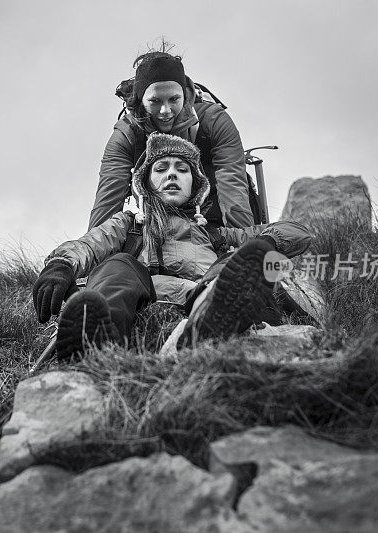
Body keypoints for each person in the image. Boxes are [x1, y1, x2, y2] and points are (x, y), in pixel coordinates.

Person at [34, 133, 311, 359]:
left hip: (206, 294)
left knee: (236, 260)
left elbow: (298, 233)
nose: (172, 175)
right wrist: (61, 265)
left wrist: (267, 242)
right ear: (146, 183)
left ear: (196, 185)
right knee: (118, 265)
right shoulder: (129, 225)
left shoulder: (217, 234)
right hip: (149, 292)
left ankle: (214, 315)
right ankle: (96, 338)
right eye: (161, 168)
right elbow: (89, 244)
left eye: (182, 169)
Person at [89, 50, 254, 233]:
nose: (165, 110)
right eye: (155, 101)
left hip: (214, 219)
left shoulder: (213, 121)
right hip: (156, 222)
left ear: (185, 94)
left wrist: (244, 248)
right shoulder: (126, 134)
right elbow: (108, 199)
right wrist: (94, 250)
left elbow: (233, 187)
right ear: (140, 100)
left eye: (174, 99)